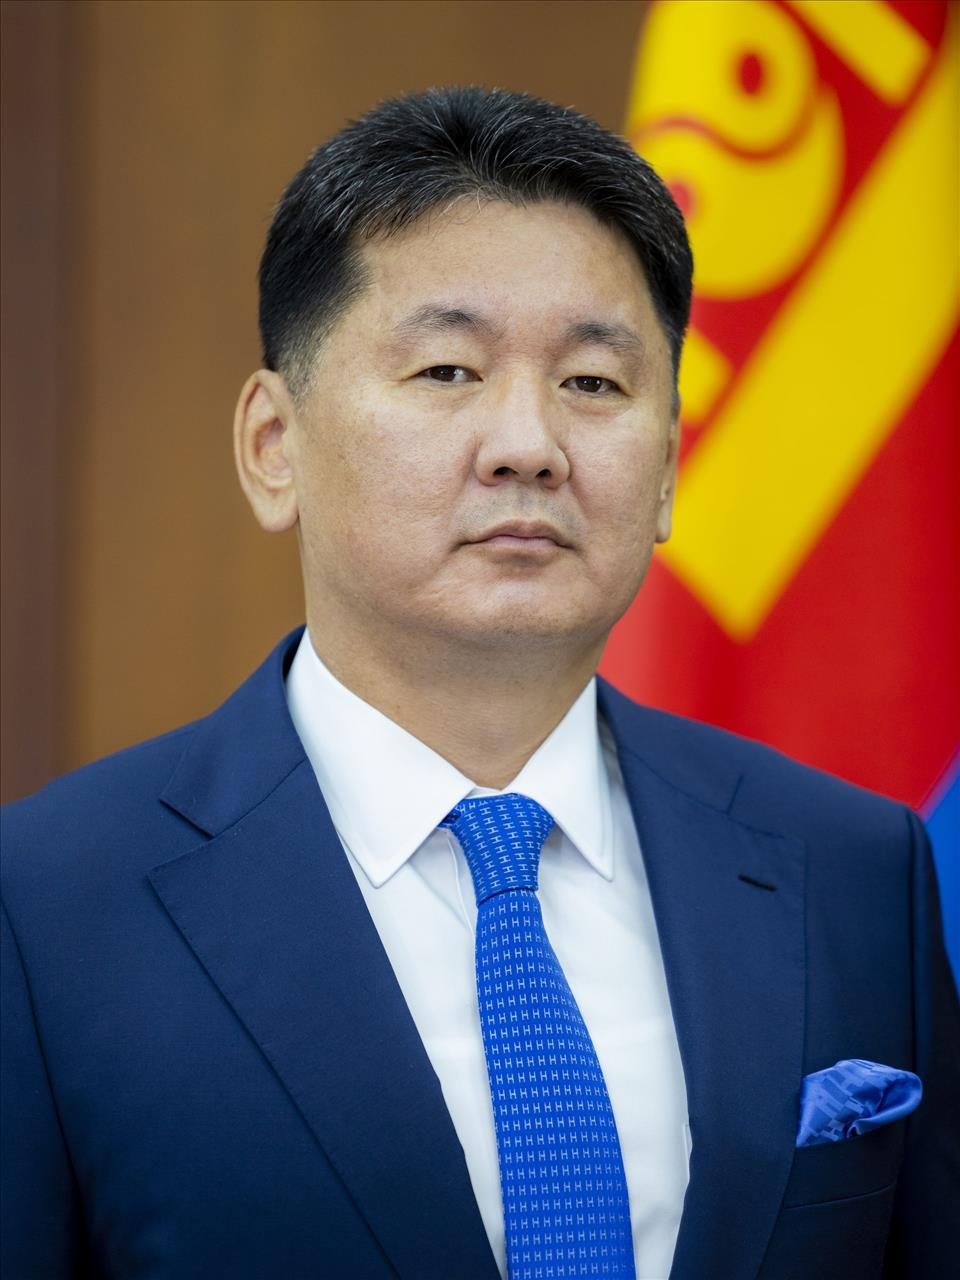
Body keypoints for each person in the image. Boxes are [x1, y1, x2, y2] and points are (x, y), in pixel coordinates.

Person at [1, 86, 957, 1280]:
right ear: (274, 445)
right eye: (448, 369)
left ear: (668, 470)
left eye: (593, 383)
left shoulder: (853, 869)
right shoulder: (46, 906)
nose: (528, 445)